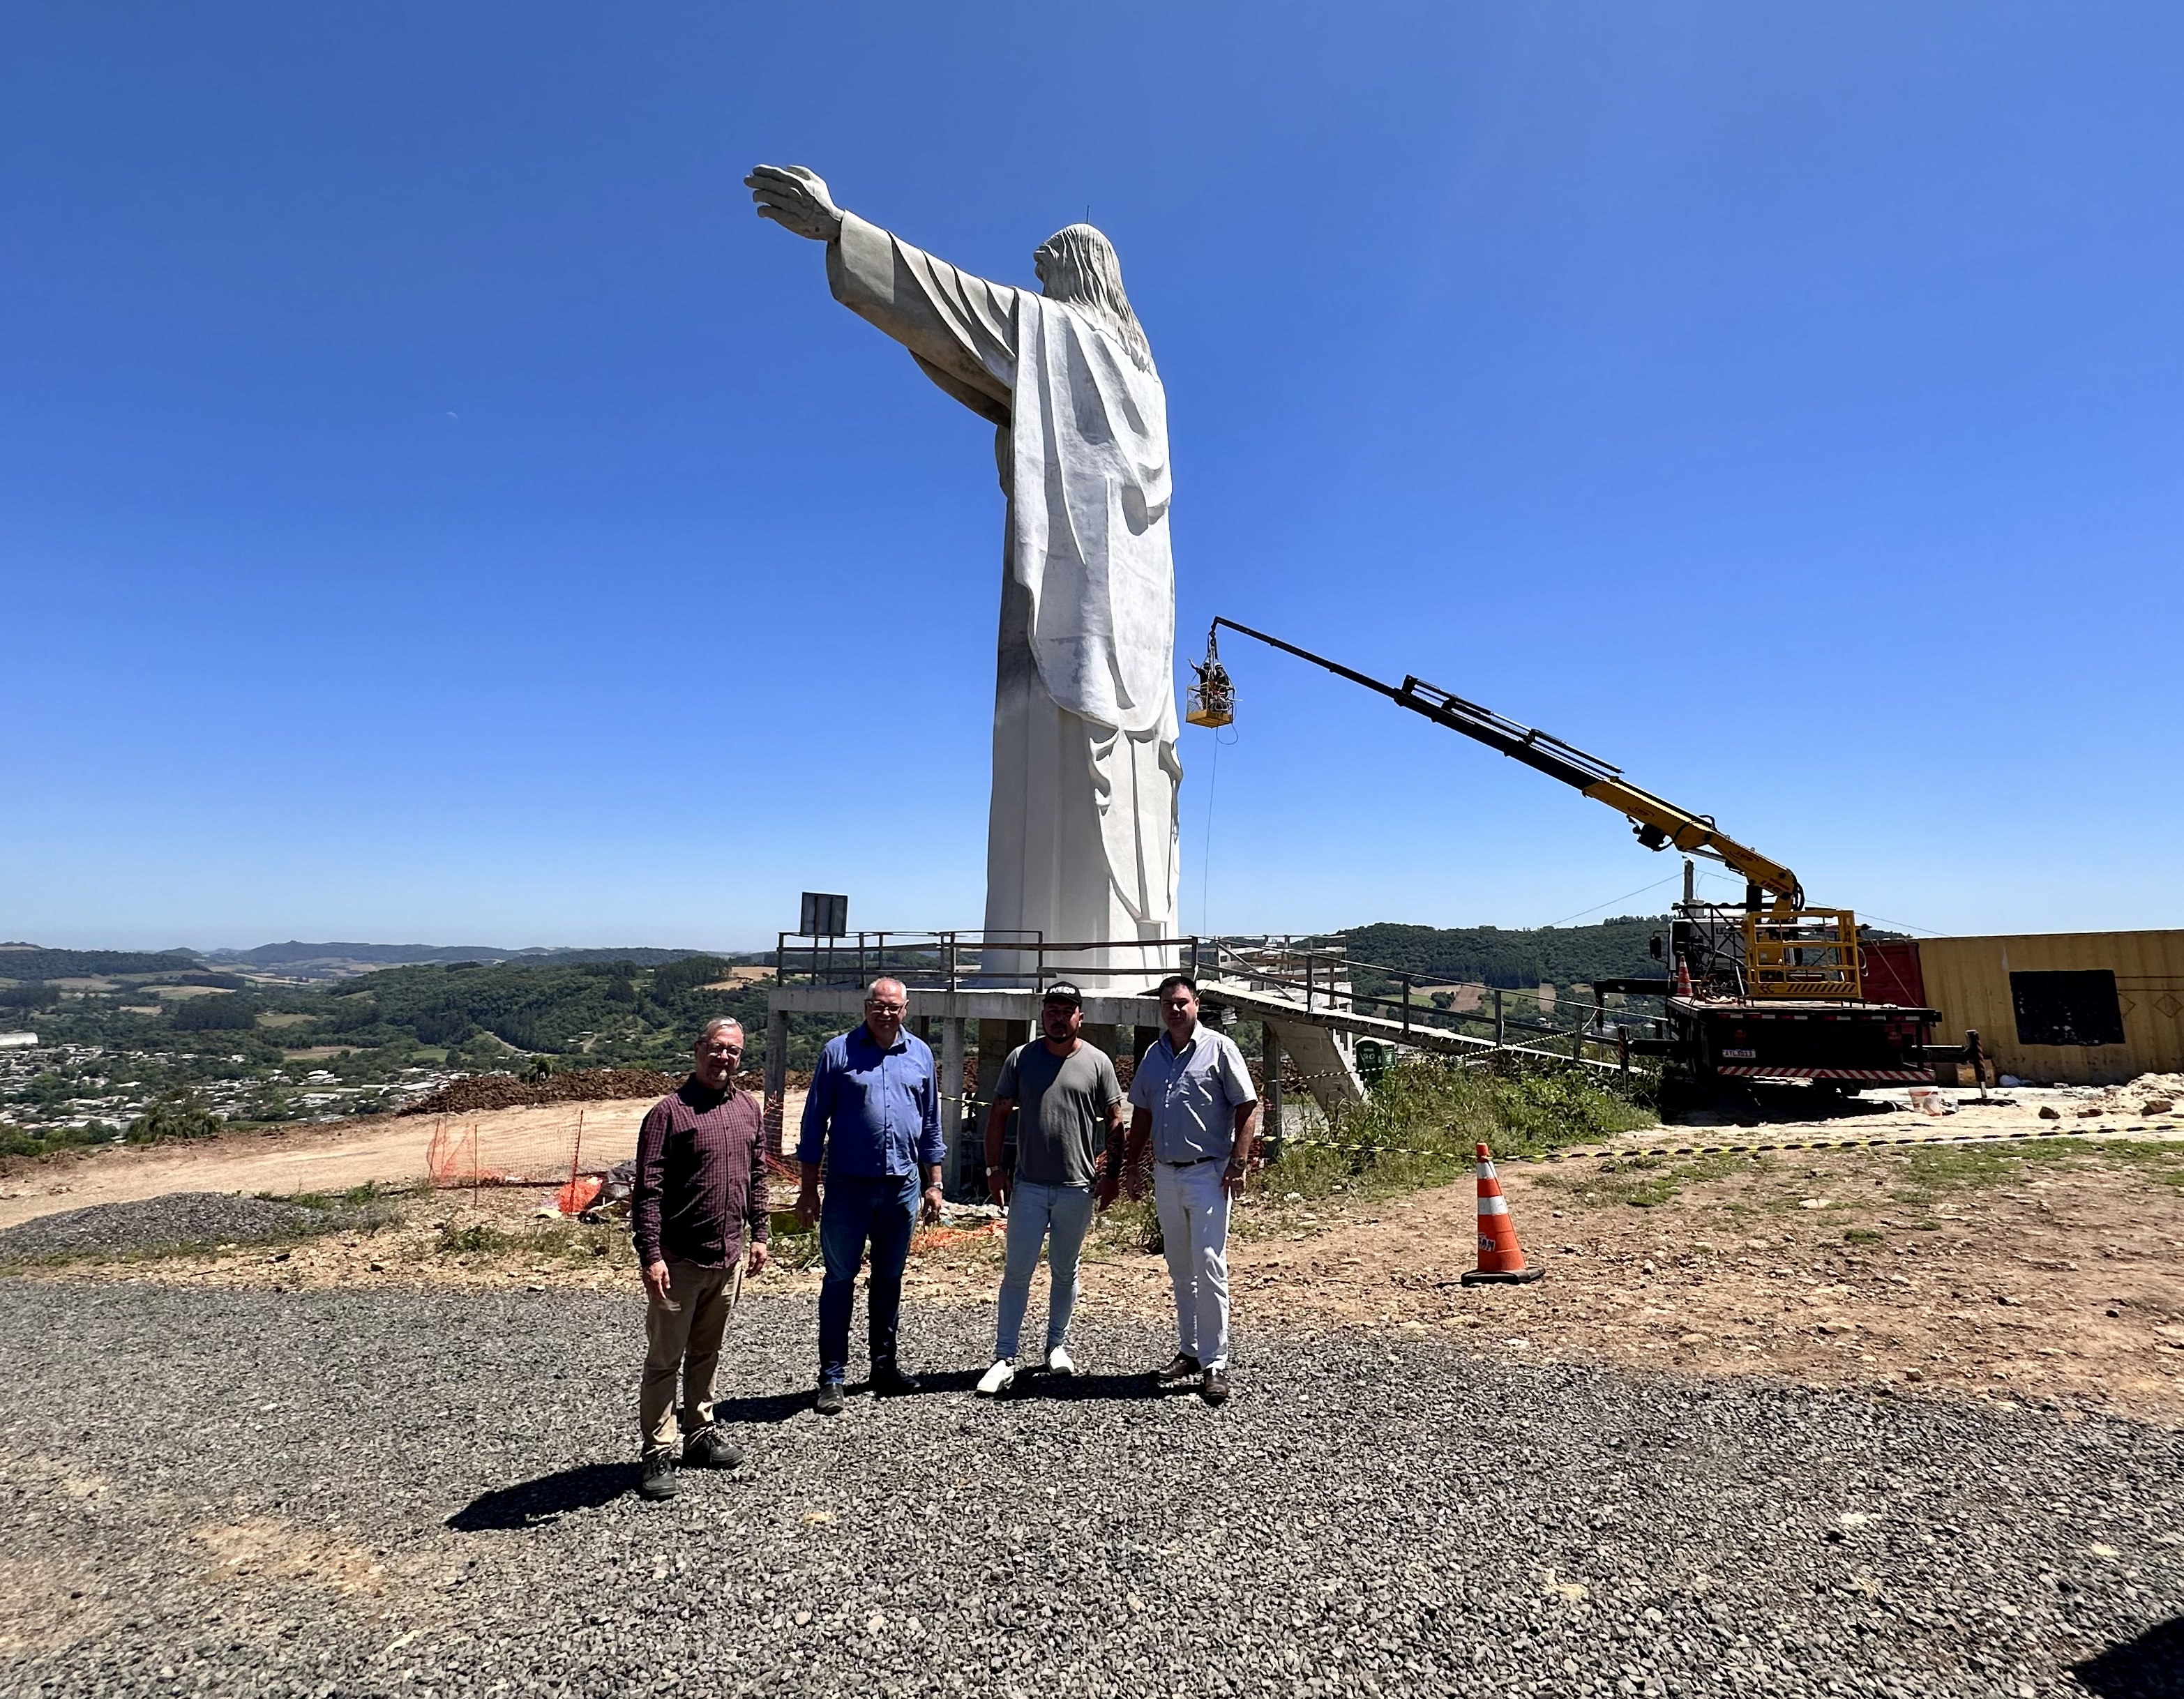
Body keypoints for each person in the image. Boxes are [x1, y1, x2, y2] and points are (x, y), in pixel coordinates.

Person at [630, 1017, 772, 1501]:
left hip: (727, 1256)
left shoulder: (748, 1109)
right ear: (697, 1050)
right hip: (678, 1259)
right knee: (665, 1360)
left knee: (707, 1354)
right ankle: (656, 1453)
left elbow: (757, 1175)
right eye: (716, 1049)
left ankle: (699, 1435)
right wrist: (651, 1255)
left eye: (733, 1051)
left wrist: (760, 1234)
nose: (723, 1058)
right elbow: (647, 1191)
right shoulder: (667, 1114)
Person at [796, 977, 945, 1413]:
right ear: (866, 1007)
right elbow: (813, 1125)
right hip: (848, 1188)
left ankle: (884, 1367)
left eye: (893, 1006)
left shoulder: (920, 1054)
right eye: (877, 1005)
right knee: (840, 1279)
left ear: (906, 1009)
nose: (885, 1013)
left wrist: (934, 1182)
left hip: (902, 1188)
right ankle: (832, 1376)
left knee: (889, 1279)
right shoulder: (837, 1052)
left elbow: (931, 1123)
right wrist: (808, 1189)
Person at [974, 982, 1124, 1396]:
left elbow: (1115, 1120)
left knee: (1065, 1269)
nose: (1059, 1017)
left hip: (1077, 1186)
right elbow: (999, 1115)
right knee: (1017, 1272)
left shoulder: (1098, 1063)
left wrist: (1112, 1173)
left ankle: (1056, 1346)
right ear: (1043, 1016)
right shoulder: (1020, 1059)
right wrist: (993, 1169)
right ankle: (1005, 1357)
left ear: (1080, 1016)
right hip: (1029, 1186)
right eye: (1052, 1010)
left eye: (1067, 1010)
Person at [1122, 974, 1258, 1405]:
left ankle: (1216, 1363)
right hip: (1166, 1173)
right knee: (1180, 1266)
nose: (1174, 1010)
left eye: (1181, 1002)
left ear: (1195, 1003)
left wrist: (1238, 1162)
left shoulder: (1220, 1048)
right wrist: (1132, 1166)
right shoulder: (1154, 1054)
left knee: (1209, 1264)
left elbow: (1247, 1105)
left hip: (1208, 1173)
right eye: (1167, 1004)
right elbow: (1140, 1112)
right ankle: (1191, 1351)